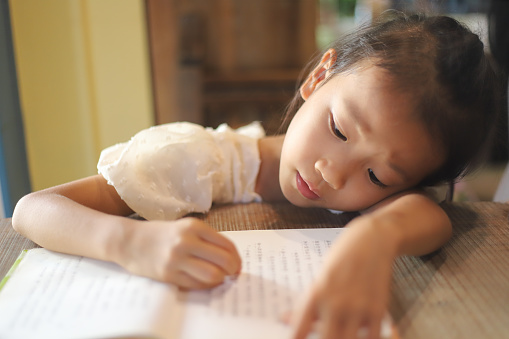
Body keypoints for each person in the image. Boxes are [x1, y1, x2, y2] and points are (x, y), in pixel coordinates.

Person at [12, 11, 500, 339]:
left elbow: (430, 217)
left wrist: (373, 238)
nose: (332, 171)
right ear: (318, 77)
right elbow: (32, 210)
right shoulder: (192, 159)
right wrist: (130, 243)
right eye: (338, 129)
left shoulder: (379, 198)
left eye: (375, 175)